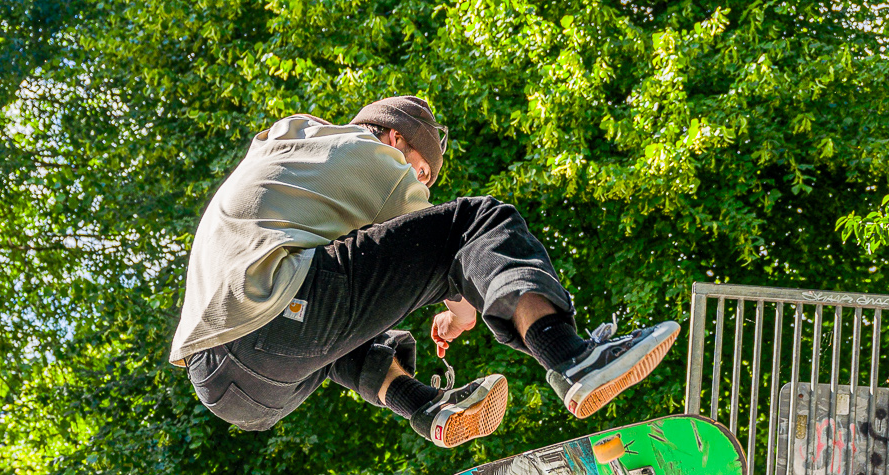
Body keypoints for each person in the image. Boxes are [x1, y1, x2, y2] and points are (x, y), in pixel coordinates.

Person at [170, 95, 679, 450]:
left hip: (226, 384)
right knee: (480, 219)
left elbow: (380, 263)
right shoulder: (371, 154)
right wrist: (460, 309)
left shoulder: (289, 149)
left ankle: (426, 408)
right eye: (422, 171)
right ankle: (570, 356)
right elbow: (445, 243)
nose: (419, 184)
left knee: (350, 326)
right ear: (394, 138)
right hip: (274, 324)